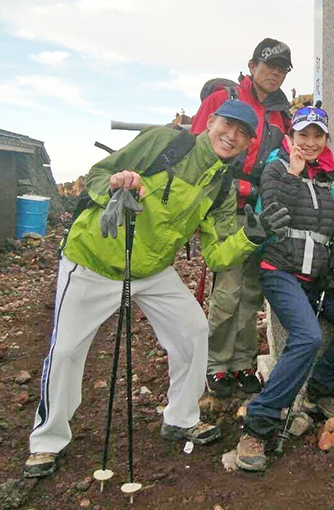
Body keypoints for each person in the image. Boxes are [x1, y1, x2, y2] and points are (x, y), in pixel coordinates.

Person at [24, 101, 291, 478]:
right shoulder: (164, 141)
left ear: (248, 143)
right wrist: (114, 190)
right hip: (92, 260)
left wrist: (251, 236)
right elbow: (100, 173)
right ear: (211, 122)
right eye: (228, 125)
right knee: (66, 351)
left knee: (193, 330)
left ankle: (181, 418)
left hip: (151, 269)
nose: (232, 136)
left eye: (244, 133)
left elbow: (216, 255)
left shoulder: (221, 186)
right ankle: (47, 441)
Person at [236, 106, 334, 472]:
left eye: (317, 136)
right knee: (308, 336)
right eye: (303, 135)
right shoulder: (278, 167)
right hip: (280, 271)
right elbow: (276, 212)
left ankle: (320, 391)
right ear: (291, 136)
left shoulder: (330, 175)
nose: (310, 143)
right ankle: (258, 425)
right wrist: (295, 177)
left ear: (325, 139)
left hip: (320, 277)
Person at [190, 38, 293, 397]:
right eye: (269, 65)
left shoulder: (282, 115)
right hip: (223, 205)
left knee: (251, 292)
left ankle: (244, 362)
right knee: (227, 292)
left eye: (282, 68)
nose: (275, 73)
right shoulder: (224, 100)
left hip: (260, 211)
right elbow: (195, 146)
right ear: (252, 66)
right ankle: (216, 364)